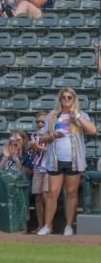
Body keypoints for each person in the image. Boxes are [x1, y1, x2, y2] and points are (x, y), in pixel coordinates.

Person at [37, 88, 97, 236]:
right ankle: (47, 225)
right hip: (56, 159)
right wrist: (52, 136)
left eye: (69, 97)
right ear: (60, 99)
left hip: (74, 160)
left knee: (71, 193)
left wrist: (77, 117)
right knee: (52, 193)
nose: (66, 100)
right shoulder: (52, 116)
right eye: (64, 97)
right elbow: (42, 137)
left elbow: (93, 130)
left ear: (74, 99)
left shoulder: (81, 115)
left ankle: (69, 226)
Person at [29, 111, 48, 232]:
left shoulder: (51, 134)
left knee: (46, 196)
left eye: (42, 121)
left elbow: (52, 151)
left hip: (48, 168)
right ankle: (40, 225)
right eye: (38, 121)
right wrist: (34, 149)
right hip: (37, 167)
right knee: (38, 198)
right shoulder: (33, 135)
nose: (40, 123)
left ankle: (48, 225)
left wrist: (39, 147)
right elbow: (33, 155)